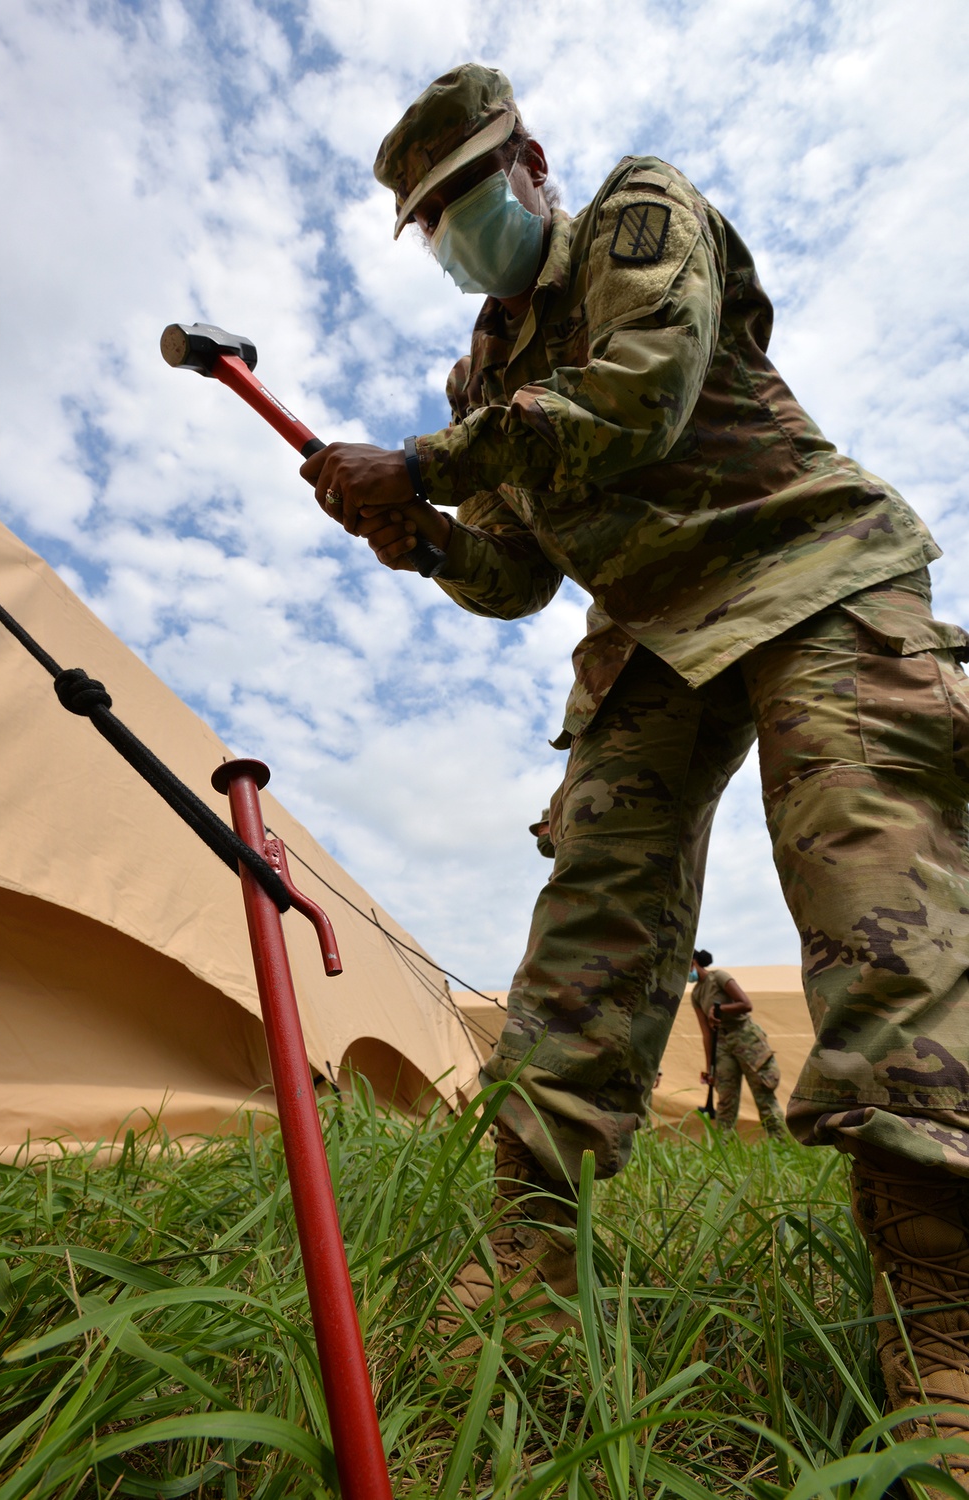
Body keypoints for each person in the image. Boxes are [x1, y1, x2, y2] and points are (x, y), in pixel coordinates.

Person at [301, 63, 969, 1476]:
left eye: (469, 194)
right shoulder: (480, 373)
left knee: (876, 893)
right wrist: (414, 534)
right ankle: (528, 1282)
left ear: (530, 162)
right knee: (589, 924)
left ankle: (948, 1328)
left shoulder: (638, 217)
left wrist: (417, 462)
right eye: (432, 220)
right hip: (651, 636)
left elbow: (643, 395)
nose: (458, 228)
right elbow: (515, 574)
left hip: (811, 573)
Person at [689, 948, 786, 1138]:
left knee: (762, 1092)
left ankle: (781, 1144)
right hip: (722, 1044)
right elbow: (706, 1033)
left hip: (745, 1037)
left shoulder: (719, 977)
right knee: (725, 1099)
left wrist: (720, 1009)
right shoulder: (696, 994)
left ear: (693, 962)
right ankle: (723, 1150)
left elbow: (746, 1004)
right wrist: (710, 1069)